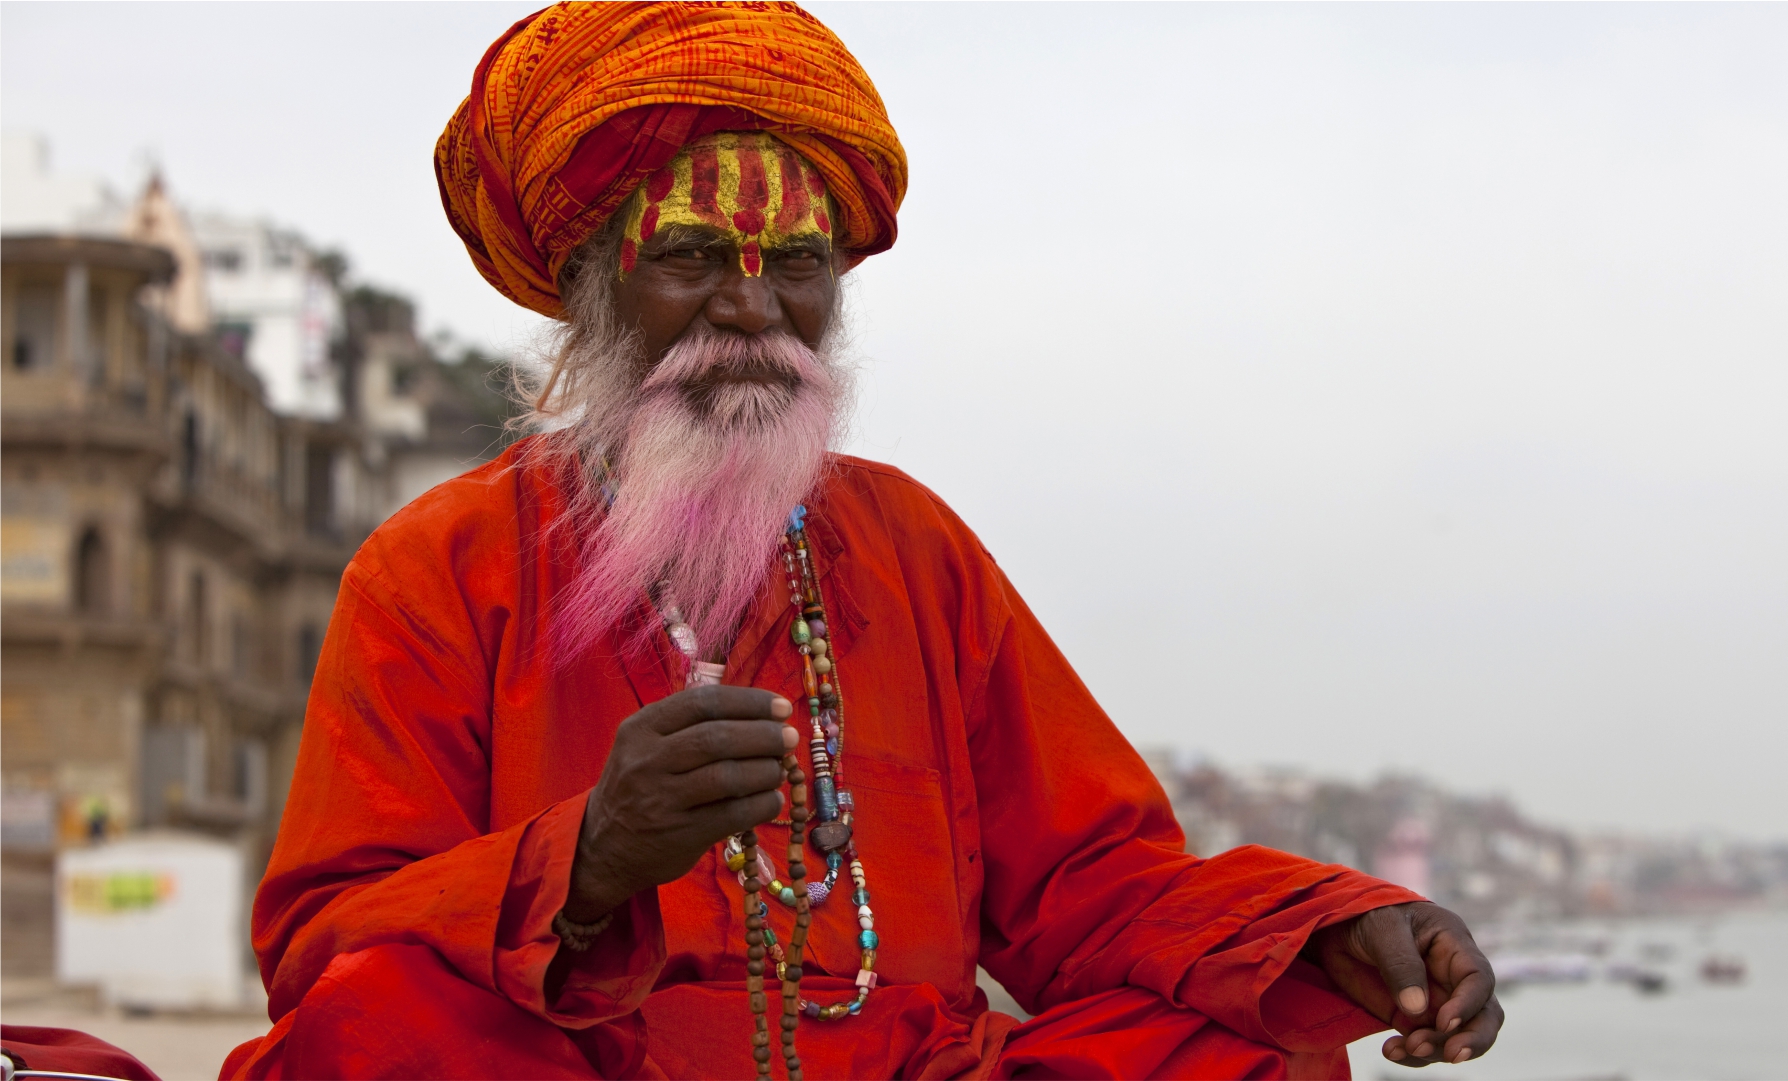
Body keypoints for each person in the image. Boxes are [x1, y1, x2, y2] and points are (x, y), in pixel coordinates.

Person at [222, 4, 1503, 1078]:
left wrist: (1329, 929)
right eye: (690, 257)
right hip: (592, 1067)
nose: (751, 307)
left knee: (1248, 1044)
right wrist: (588, 860)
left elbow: (1094, 882)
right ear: (588, 283)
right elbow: (326, 946)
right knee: (374, 1023)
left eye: (798, 262)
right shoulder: (441, 562)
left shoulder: (912, 546)